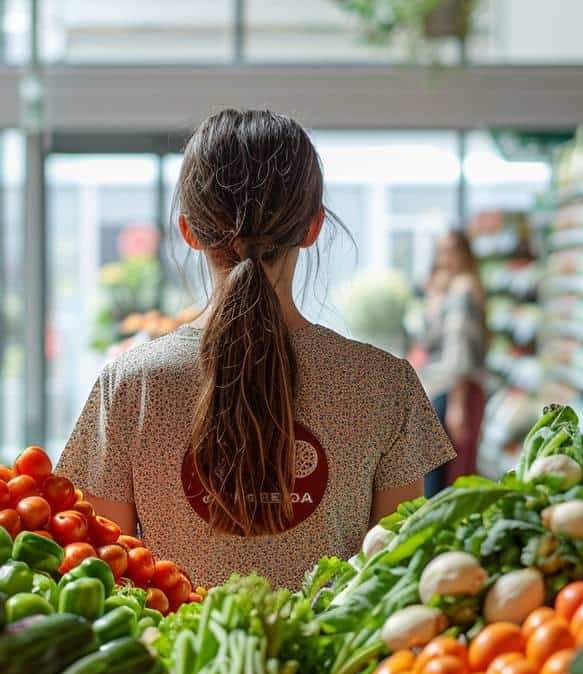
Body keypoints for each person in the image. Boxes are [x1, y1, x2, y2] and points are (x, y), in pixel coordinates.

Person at [56, 109, 454, 589]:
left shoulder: (131, 385)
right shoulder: (386, 385)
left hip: (172, 660)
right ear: (312, 228)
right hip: (333, 664)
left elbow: (107, 578)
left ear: (189, 231)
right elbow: (393, 580)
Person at [412, 229, 487, 496]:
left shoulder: (463, 290)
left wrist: (458, 404)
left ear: (464, 253)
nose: (445, 257)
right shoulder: (445, 288)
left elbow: (460, 350)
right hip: (438, 388)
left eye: (451, 250)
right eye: (441, 250)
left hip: (455, 391)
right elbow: (428, 341)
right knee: (438, 472)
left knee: (444, 478)